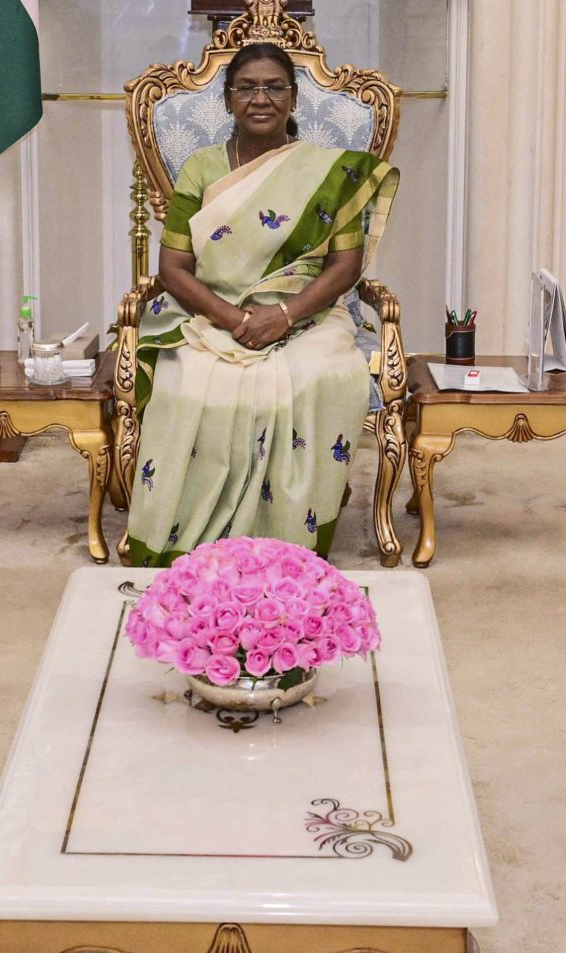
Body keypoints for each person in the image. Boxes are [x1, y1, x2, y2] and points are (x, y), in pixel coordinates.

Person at [123, 40, 399, 565]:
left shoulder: (327, 173)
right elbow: (173, 269)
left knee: (320, 378)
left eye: (274, 87)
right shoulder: (202, 168)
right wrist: (235, 319)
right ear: (228, 99)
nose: (261, 98)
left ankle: (286, 541)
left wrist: (284, 315)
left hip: (308, 315)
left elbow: (345, 266)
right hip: (211, 312)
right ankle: (196, 539)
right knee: (188, 386)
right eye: (247, 88)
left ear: (294, 97)